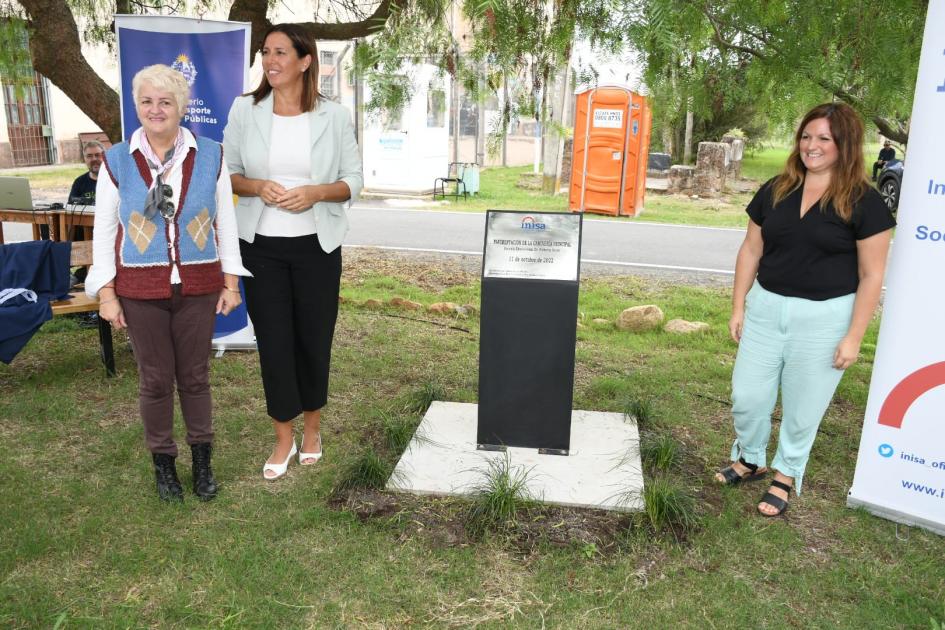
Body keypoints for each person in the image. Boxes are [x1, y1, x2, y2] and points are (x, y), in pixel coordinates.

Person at [716, 102, 895, 516]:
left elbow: (871, 276)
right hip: (765, 308)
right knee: (747, 396)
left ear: (844, 145)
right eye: (806, 136)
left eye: (824, 139)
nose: (811, 146)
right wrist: (738, 304)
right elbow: (751, 249)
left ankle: (786, 473)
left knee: (803, 406)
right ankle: (751, 457)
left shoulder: (864, 203)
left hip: (824, 319)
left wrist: (853, 337)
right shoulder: (776, 188)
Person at [86, 64, 249, 502]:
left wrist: (230, 283)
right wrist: (106, 293)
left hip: (198, 285)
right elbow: (104, 230)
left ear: (181, 107)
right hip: (140, 291)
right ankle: (164, 466)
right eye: (146, 101)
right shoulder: (117, 161)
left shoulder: (211, 155)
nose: (155, 110)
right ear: (136, 106)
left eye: (165, 101)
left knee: (195, 377)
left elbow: (226, 224)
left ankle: (202, 464)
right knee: (155, 380)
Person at [223, 23, 362, 481]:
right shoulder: (246, 110)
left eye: (281, 52)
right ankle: (283, 436)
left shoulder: (334, 116)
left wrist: (317, 193)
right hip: (261, 247)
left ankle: (313, 429)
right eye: (266, 52)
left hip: (317, 248)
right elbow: (229, 174)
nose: (270, 61)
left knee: (313, 340)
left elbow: (353, 181)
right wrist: (258, 186)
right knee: (275, 345)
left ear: (305, 61)